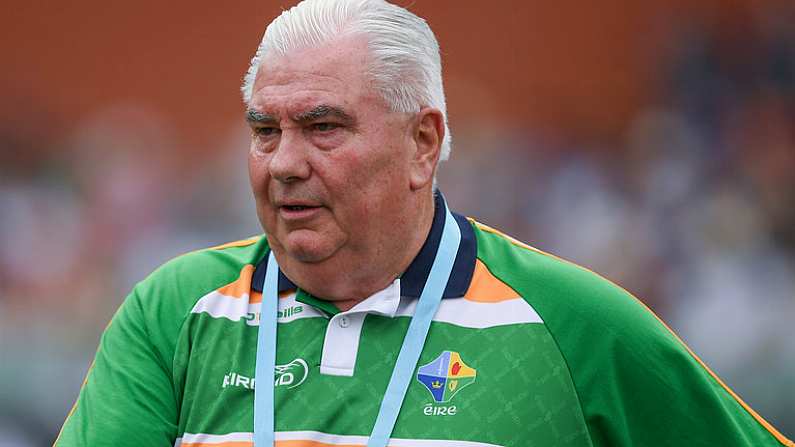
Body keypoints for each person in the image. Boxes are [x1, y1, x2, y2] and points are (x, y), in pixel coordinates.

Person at [55, 1, 794, 446]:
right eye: (264, 129)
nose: (282, 161)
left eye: (321, 126)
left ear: (423, 142)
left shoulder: (576, 324)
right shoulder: (173, 313)